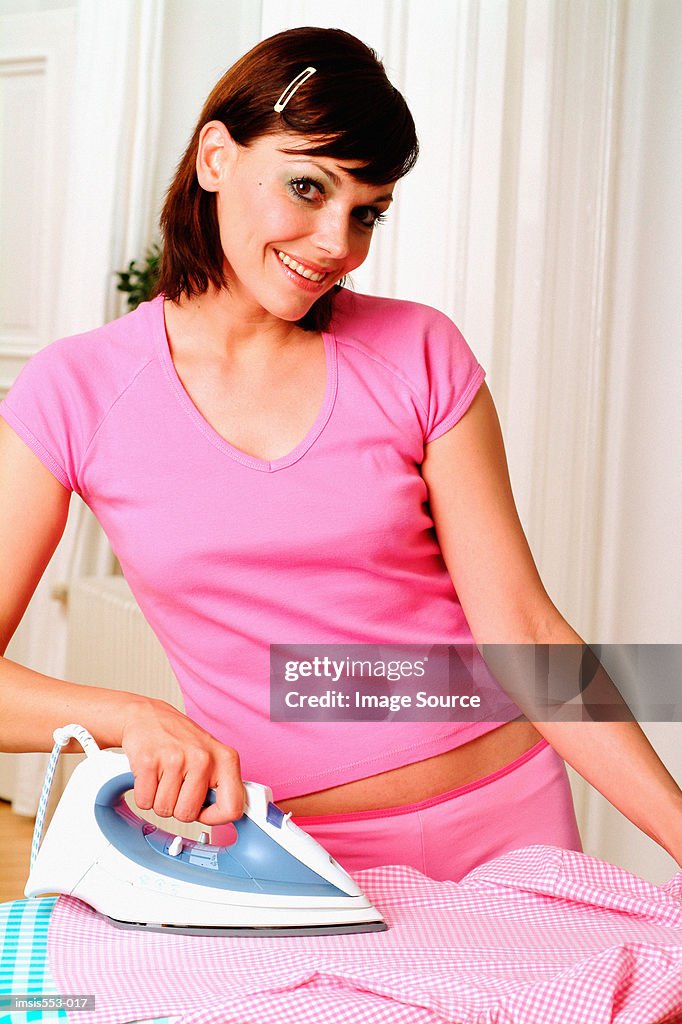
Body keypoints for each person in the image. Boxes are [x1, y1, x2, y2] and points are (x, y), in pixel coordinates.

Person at [1, 27, 680, 882]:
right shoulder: (78, 392)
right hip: (292, 863)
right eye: (306, 187)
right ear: (216, 156)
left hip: (510, 828)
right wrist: (127, 715)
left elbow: (528, 632)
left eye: (366, 212)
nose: (337, 244)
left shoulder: (419, 352)